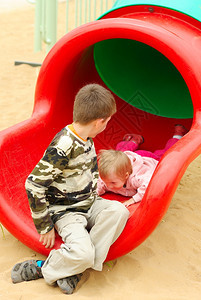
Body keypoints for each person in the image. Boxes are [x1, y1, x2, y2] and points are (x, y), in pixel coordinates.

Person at [11, 84, 129, 294]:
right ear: (98, 122)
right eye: (108, 121)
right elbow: (34, 184)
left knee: (119, 211)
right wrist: (44, 225)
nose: (107, 124)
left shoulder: (86, 139)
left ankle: (75, 268)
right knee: (83, 253)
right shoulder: (64, 146)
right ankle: (43, 268)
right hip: (66, 211)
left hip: (89, 204)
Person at [97, 124, 188, 207]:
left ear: (126, 175)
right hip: (127, 159)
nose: (108, 185)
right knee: (120, 152)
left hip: (148, 159)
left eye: (113, 183)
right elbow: (99, 185)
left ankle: (178, 136)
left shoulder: (137, 178)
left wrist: (133, 200)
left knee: (166, 156)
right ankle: (134, 140)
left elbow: (148, 186)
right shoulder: (109, 177)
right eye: (106, 181)